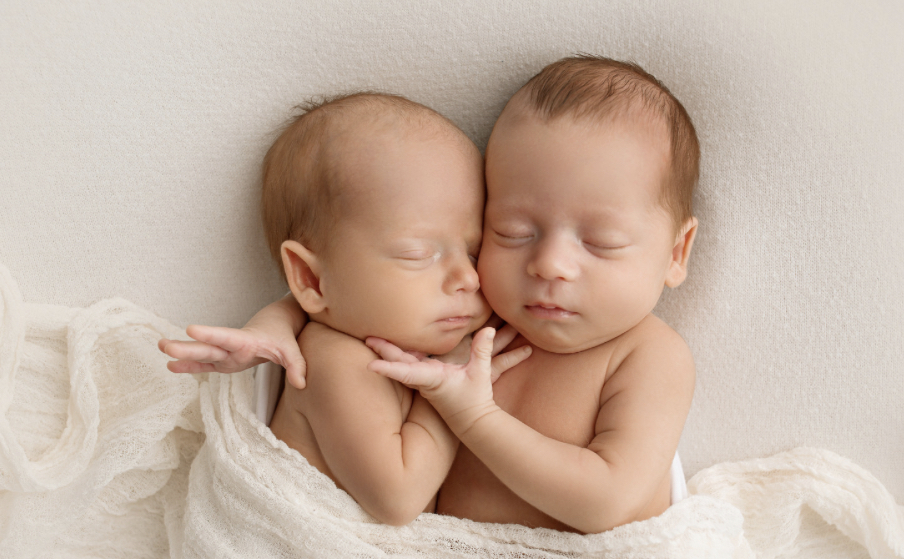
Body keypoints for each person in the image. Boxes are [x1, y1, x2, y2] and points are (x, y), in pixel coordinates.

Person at [162, 56, 699, 534]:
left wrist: (473, 415)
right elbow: (340, 306)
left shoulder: (648, 355)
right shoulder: (476, 316)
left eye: (602, 242)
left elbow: (606, 501)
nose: (549, 265)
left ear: (676, 253)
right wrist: (271, 326)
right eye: (511, 232)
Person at [158, 92, 530, 526]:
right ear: (313, 280)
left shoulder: (401, 326)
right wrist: (452, 388)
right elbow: (398, 499)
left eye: (474, 250)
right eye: (417, 254)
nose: (467, 278)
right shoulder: (338, 361)